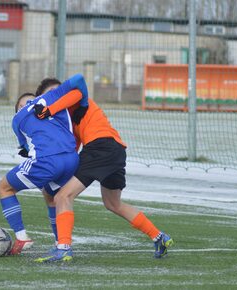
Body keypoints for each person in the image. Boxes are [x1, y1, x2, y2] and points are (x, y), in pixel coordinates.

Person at [33, 74, 173, 262]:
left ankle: (63, 248)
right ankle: (159, 237)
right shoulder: (67, 119)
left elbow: (74, 90)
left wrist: (47, 110)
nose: (57, 93)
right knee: (113, 204)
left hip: (100, 147)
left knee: (62, 196)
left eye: (57, 90)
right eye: (51, 93)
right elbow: (72, 147)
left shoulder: (76, 97)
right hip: (115, 150)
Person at [0, 75, 88, 255]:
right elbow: (79, 79)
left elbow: (24, 147)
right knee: (52, 196)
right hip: (72, 159)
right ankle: (60, 244)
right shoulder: (51, 98)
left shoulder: (16, 120)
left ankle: (22, 237)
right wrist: (84, 104)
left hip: (47, 160)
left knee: (4, 187)